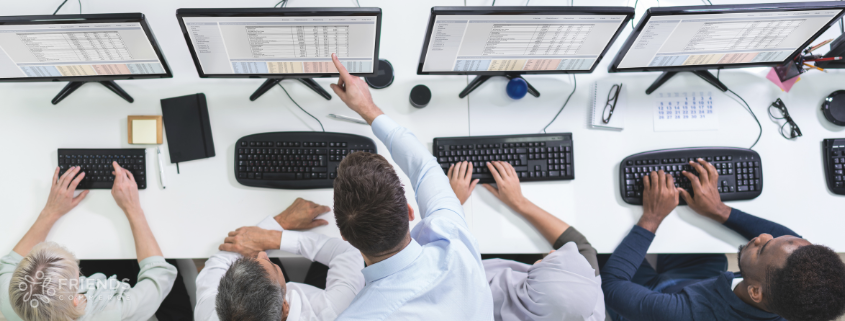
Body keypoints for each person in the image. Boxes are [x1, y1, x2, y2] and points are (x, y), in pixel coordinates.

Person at [327, 53, 493, 320]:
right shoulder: (454, 241)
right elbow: (424, 167)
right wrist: (368, 108)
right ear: (408, 211)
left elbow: (425, 168)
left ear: (344, 236)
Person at [601, 159, 845, 321]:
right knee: (705, 249)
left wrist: (652, 218)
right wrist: (719, 210)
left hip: (657, 305)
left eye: (762, 249)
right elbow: (796, 242)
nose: (761, 236)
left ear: (755, 291)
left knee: (602, 248)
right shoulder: (798, 302)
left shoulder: (691, 315)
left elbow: (612, 285)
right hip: (703, 284)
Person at [0, 163, 178, 321]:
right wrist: (133, 208)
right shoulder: (114, 312)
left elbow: (8, 264)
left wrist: (51, 212)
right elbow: (159, 274)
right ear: (76, 299)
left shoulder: (10, 300)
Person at [447, 160, 605, 321]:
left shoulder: (458, 302)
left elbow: (436, 261)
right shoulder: (589, 308)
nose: (552, 252)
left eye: (555, 264)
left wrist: (449, 205)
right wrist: (519, 202)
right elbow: (582, 247)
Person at [194, 198, 365, 321]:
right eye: (272, 266)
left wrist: (277, 225)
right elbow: (348, 252)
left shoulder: (209, 313)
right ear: (284, 308)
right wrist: (273, 236)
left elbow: (216, 264)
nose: (262, 254)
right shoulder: (333, 312)